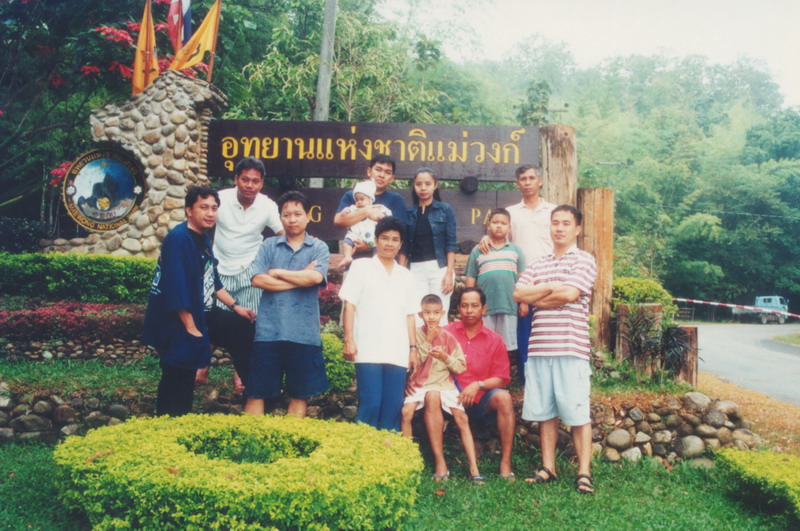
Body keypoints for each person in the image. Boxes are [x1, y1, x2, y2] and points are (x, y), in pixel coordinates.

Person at [142, 186, 255, 417]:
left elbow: (213, 278)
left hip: (203, 313)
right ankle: (169, 423)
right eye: (204, 207)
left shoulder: (202, 237)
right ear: (189, 210)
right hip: (177, 319)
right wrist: (191, 328)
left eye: (214, 208)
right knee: (178, 373)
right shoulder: (179, 239)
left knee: (242, 326)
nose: (210, 213)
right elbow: (175, 288)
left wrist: (235, 307)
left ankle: (253, 393)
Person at [513, 205, 597, 494]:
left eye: (566, 223)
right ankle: (548, 467)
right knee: (545, 412)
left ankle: (584, 472)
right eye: (555, 223)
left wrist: (538, 296)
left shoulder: (584, 260)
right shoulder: (538, 263)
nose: (559, 228)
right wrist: (551, 287)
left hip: (571, 348)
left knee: (578, 413)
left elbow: (571, 293)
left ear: (577, 229)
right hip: (539, 349)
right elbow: (519, 293)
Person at [197, 157, 284, 391]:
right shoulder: (220, 199)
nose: (249, 185)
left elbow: (283, 233)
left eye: (255, 181)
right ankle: (202, 368)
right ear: (236, 179)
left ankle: (240, 377)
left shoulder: (267, 205)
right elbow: (202, 224)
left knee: (248, 324)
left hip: (250, 271)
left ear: (262, 183)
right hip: (219, 269)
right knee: (213, 322)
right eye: (245, 179)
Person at [244, 191, 330, 418]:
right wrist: (300, 278)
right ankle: (249, 438)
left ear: (308, 216)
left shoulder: (318, 247)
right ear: (280, 217)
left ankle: (291, 438)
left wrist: (277, 272)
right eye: (286, 214)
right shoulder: (268, 245)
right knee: (256, 392)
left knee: (299, 394)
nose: (292, 219)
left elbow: (315, 278)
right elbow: (258, 280)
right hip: (268, 332)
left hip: (304, 334)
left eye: (297, 214)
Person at [339, 216, 418, 431]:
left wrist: (412, 349)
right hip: (368, 349)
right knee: (371, 404)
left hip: (397, 351)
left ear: (400, 244)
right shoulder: (360, 267)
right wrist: (349, 339)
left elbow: (410, 315)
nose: (389, 243)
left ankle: (389, 451)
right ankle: (364, 450)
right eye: (385, 238)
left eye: (395, 239)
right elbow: (350, 305)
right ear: (376, 240)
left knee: (392, 408)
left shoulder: (406, 276)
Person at [479, 165, 555, 382]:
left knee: (549, 331)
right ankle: (526, 378)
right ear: (517, 183)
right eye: (523, 179)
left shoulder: (553, 211)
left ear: (540, 181)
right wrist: (485, 238)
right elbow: (499, 238)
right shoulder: (511, 213)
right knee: (524, 332)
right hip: (523, 280)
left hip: (549, 278)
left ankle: (549, 376)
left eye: (532, 178)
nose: (528, 182)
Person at [401, 294, 484, 482]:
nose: (431, 317)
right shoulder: (415, 335)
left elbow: (460, 367)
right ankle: (409, 463)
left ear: (442, 313)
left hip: (445, 385)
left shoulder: (448, 337)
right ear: (420, 314)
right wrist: (428, 340)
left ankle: (474, 469)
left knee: (461, 417)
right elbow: (415, 362)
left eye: (435, 313)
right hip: (421, 384)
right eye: (427, 313)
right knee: (406, 413)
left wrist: (445, 357)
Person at [445, 287, 517, 479]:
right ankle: (439, 463)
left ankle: (505, 461)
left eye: (474, 305)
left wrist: (478, 384)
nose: (469, 310)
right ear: (458, 309)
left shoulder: (495, 340)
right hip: (449, 399)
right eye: (465, 306)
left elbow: (501, 378)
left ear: (484, 309)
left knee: (504, 397)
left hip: (480, 400)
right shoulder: (446, 333)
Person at [465, 208, 527, 353]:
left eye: (503, 223)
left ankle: (503, 369)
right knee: (484, 346)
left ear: (509, 228)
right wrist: (470, 305)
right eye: (495, 222)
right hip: (485, 309)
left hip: (508, 306)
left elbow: (523, 279)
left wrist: (524, 302)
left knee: (504, 348)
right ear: (488, 225)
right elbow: (470, 280)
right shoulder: (478, 250)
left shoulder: (516, 250)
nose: (499, 226)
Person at [401, 167, 457, 326]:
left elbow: (450, 242)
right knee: (417, 315)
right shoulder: (409, 212)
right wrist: (401, 272)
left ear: (435, 185)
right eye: (419, 184)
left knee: (440, 314)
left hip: (439, 268)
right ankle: (419, 344)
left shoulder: (445, 210)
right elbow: (404, 246)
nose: (423, 188)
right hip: (415, 269)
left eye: (427, 184)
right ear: (414, 186)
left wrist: (449, 273)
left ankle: (440, 343)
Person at [333, 154, 409, 263]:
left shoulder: (396, 200)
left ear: (392, 178)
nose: (381, 175)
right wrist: (366, 212)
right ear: (369, 171)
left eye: (387, 172)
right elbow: (338, 221)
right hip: (355, 263)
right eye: (378, 170)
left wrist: (370, 246)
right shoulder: (353, 196)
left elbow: (402, 236)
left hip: (385, 264)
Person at [337, 179, 392, 270]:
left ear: (370, 200)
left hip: (370, 235)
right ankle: (347, 256)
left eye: (362, 199)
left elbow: (387, 213)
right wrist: (345, 210)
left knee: (377, 245)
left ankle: (376, 260)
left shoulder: (376, 208)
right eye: (357, 200)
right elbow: (346, 211)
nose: (359, 202)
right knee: (347, 241)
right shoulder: (354, 208)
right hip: (356, 235)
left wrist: (382, 216)